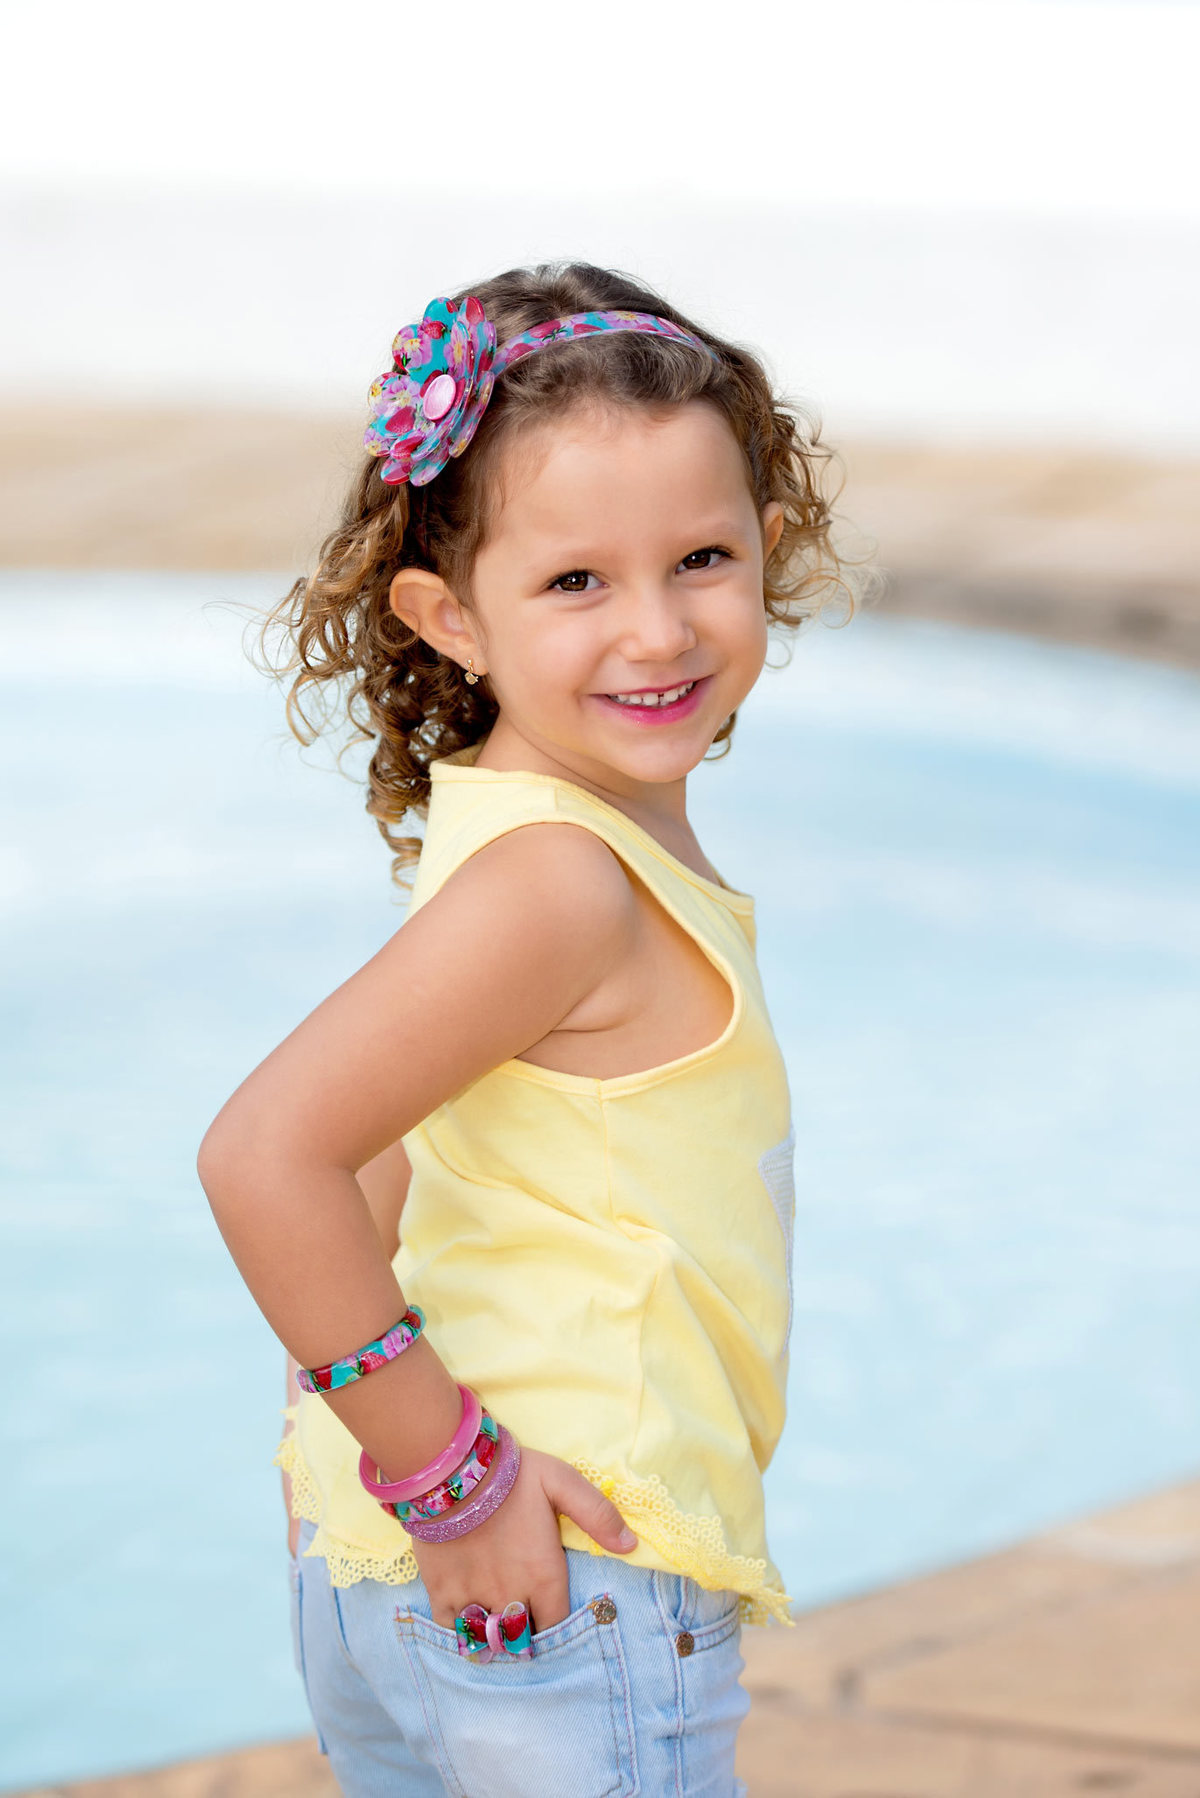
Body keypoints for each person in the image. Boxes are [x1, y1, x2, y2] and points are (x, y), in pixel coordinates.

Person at [198, 260, 859, 1796]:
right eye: (576, 583)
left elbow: (390, 1166)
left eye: (701, 557)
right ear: (452, 618)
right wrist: (447, 1472)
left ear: (769, 547)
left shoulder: (514, 838)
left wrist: (346, 1453)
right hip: (564, 1555)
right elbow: (265, 1154)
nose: (656, 629)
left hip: (415, 1565)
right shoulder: (562, 881)